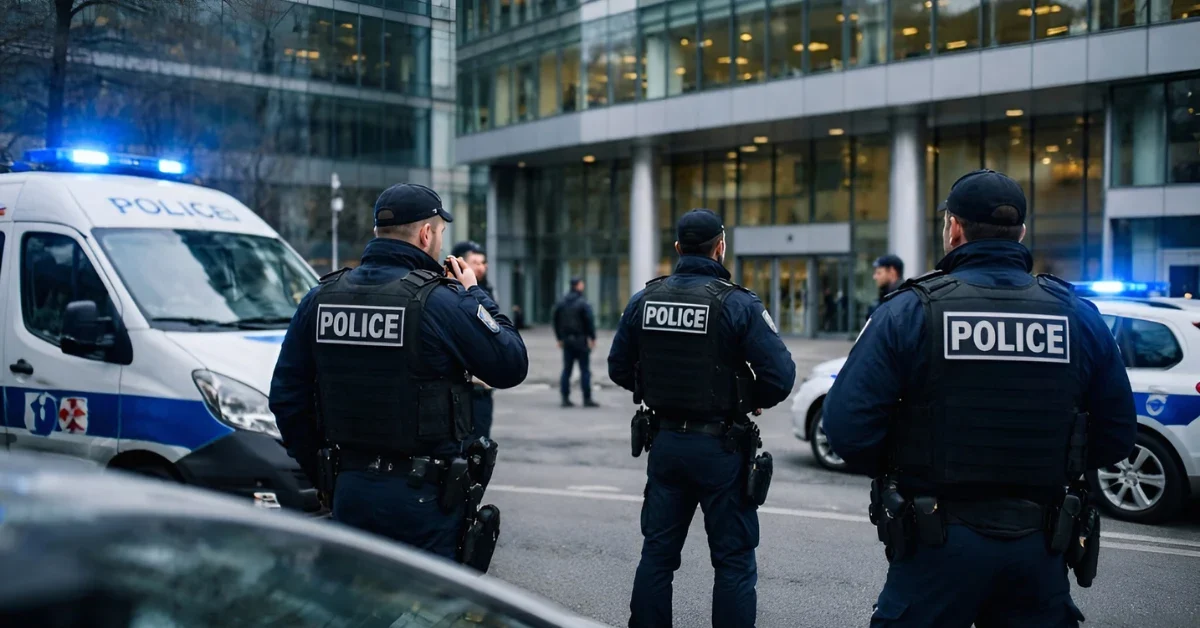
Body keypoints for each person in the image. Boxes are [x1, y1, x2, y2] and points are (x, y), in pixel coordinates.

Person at [822, 170, 1137, 627]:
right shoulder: (1078, 316)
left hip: (935, 542)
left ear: (953, 228)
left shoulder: (910, 310)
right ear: (1022, 233)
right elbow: (1116, 436)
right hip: (1040, 547)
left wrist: (909, 462)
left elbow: (846, 429)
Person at [269, 183, 528, 568]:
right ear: (426, 234)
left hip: (349, 489)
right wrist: (474, 294)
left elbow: (287, 397)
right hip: (421, 499)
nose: (440, 243)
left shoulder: (321, 297)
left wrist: (327, 473)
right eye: (439, 233)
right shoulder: (442, 300)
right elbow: (510, 363)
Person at [609, 208, 796, 628]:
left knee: (657, 556)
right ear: (720, 247)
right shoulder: (737, 304)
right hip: (721, 448)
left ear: (677, 248)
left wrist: (656, 388)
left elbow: (618, 368)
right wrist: (748, 398)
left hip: (666, 444)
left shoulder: (644, 300)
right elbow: (780, 376)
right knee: (732, 562)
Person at [452, 240, 499, 440]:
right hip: (460, 388)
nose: (481, 267)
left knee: (480, 445)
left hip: (482, 388)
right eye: (475, 262)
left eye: (483, 263)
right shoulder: (450, 295)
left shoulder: (485, 291)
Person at [553, 277, 598, 407]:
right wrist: (592, 337)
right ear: (578, 286)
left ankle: (565, 397)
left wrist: (559, 338)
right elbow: (589, 321)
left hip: (567, 340)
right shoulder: (583, 302)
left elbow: (555, 320)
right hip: (581, 340)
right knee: (585, 370)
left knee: (567, 369)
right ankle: (587, 398)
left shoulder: (562, 302)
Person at [866, 254, 904, 321]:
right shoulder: (885, 297)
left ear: (892, 272)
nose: (874, 277)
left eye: (879, 273)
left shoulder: (902, 299)